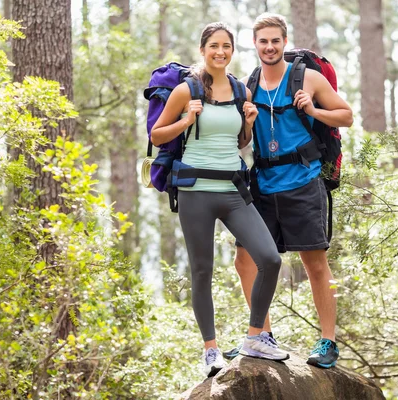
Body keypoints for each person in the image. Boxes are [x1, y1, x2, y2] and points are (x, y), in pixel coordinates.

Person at [151, 22, 289, 378]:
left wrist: (248, 123)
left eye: (226, 46)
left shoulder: (241, 89)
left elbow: (240, 143)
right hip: (196, 191)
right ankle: (210, 350)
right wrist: (186, 120)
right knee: (202, 271)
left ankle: (255, 337)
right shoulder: (187, 89)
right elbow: (156, 133)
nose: (220, 52)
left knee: (270, 259)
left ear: (232, 50)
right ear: (203, 50)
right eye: (214, 45)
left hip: (232, 189)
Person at [228, 13, 353, 369]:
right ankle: (261, 336)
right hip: (262, 186)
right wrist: (247, 123)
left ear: (284, 42)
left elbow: (346, 115)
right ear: (255, 44)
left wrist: (313, 109)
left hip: (303, 181)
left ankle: (328, 342)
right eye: (263, 41)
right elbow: (243, 142)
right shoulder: (248, 85)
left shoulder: (307, 77)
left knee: (314, 263)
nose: (269, 47)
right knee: (245, 260)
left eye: (275, 41)